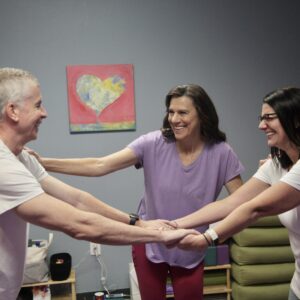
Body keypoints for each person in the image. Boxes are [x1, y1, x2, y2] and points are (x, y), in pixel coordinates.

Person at [30, 84, 244, 300]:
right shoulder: (153, 143)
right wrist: (42, 163)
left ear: (202, 114)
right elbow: (99, 165)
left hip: (190, 245)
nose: (174, 119)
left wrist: (213, 236)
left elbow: (241, 203)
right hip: (148, 240)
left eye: (183, 112)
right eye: (171, 112)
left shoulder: (221, 153)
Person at [0, 68, 197, 300]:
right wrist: (160, 237)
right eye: (37, 105)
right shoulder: (4, 165)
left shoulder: (20, 157)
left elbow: (78, 199)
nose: (44, 113)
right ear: (12, 111)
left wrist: (140, 223)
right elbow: (79, 224)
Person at [174, 87, 300, 300]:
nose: (261, 125)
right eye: (261, 118)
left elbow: (255, 209)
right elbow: (230, 203)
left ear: (296, 119)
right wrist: (174, 224)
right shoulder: (276, 166)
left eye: (269, 117)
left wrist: (208, 238)